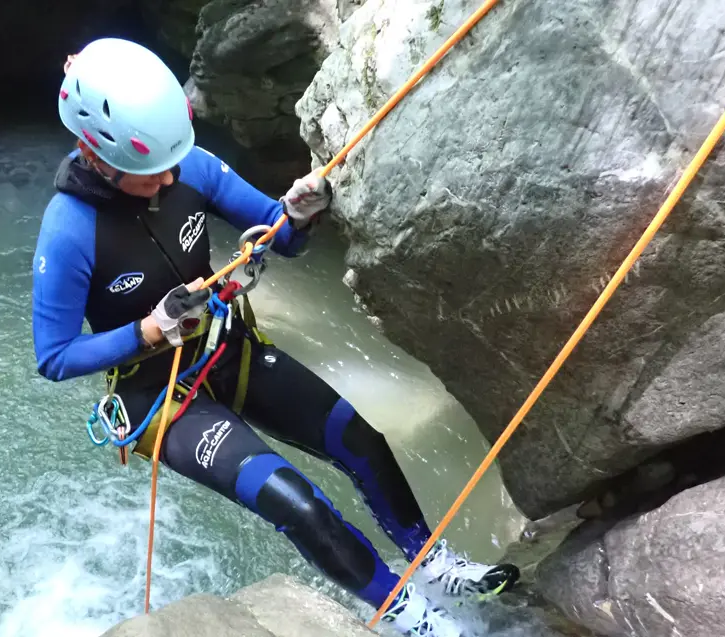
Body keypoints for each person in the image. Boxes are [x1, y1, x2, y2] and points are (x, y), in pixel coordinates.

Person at [31, 37, 519, 637]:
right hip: (161, 398)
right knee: (297, 501)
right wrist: (149, 329)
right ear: (97, 156)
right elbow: (53, 357)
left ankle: (433, 564)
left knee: (358, 436)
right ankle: (408, 615)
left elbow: (279, 237)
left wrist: (299, 210)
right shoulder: (69, 231)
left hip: (226, 350)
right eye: (148, 171)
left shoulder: (190, 168)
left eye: (169, 163)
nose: (166, 178)